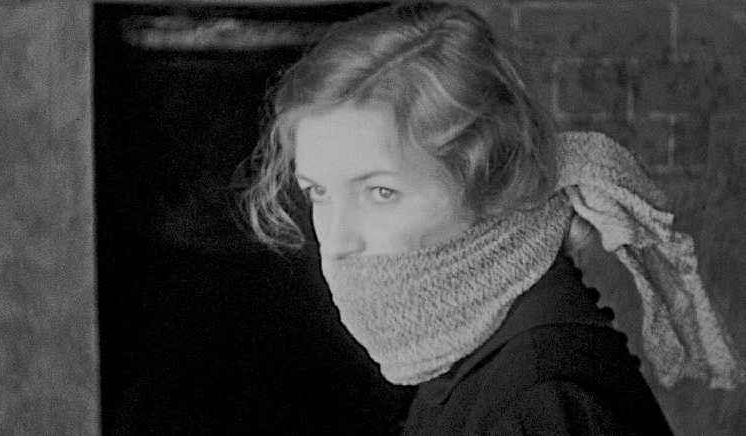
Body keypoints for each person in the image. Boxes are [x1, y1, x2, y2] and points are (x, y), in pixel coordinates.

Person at [235, 1, 744, 434]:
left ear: (492, 183)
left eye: (381, 192)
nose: (336, 241)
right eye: (318, 192)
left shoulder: (542, 401)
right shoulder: (467, 347)